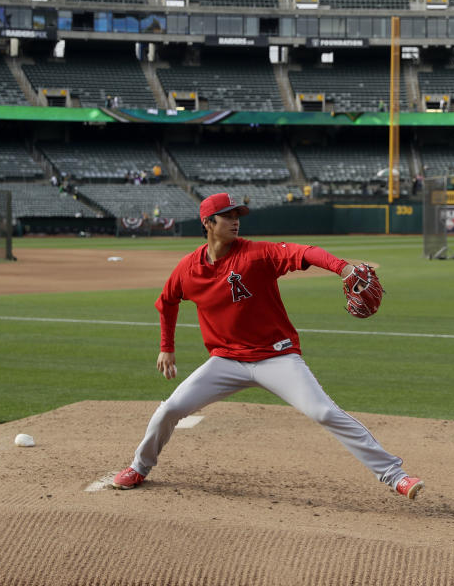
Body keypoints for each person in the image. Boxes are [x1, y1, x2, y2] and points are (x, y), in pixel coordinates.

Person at [111, 192, 423, 499]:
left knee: (324, 412)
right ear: (208, 222)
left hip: (277, 357)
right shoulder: (188, 268)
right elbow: (166, 302)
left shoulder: (257, 254)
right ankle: (139, 467)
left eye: (238, 216)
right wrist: (167, 347)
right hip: (226, 361)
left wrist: (342, 268)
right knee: (170, 409)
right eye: (228, 216)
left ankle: (396, 476)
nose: (236, 222)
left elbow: (305, 252)